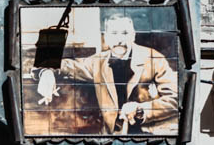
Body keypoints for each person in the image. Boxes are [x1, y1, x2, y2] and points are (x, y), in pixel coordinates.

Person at [34, 13, 178, 134]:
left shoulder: (154, 59)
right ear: (106, 37)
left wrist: (141, 109)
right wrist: (46, 72)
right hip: (112, 138)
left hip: (149, 138)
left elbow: (175, 99)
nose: (120, 39)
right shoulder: (98, 62)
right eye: (114, 33)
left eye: (125, 33)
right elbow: (66, 65)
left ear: (133, 35)